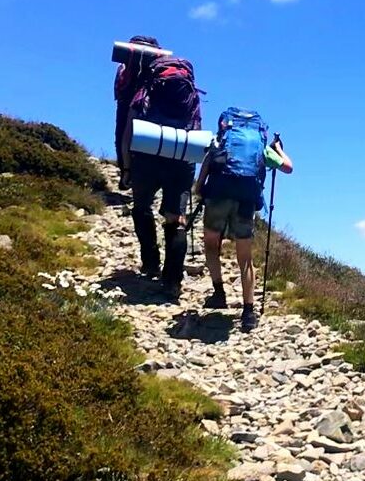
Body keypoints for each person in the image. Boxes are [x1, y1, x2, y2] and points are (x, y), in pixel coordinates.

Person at [195, 108, 293, 332]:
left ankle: (219, 293)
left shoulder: (220, 142)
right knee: (245, 258)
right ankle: (248, 312)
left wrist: (200, 189)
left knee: (211, 245)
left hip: (218, 196)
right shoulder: (262, 150)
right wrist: (277, 149)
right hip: (245, 200)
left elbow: (207, 166)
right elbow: (288, 168)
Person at [125, 54, 202, 303]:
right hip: (180, 160)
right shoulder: (191, 97)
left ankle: (150, 263)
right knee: (176, 219)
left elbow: (130, 129)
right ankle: (172, 282)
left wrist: (127, 167)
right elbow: (196, 129)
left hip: (147, 157)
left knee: (141, 207)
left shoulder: (146, 88)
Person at [113, 35, 161, 190]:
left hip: (125, 103)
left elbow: (118, 88)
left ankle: (125, 173)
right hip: (148, 105)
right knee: (145, 140)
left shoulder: (124, 65)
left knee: (122, 136)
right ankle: (143, 180)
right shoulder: (157, 66)